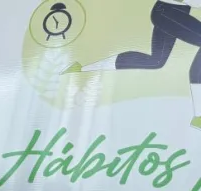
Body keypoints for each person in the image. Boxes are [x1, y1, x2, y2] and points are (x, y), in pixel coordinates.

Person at [64, 0, 201, 129]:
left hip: (174, 12)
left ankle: (81, 68)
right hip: (167, 11)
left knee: (156, 61)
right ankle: (198, 117)